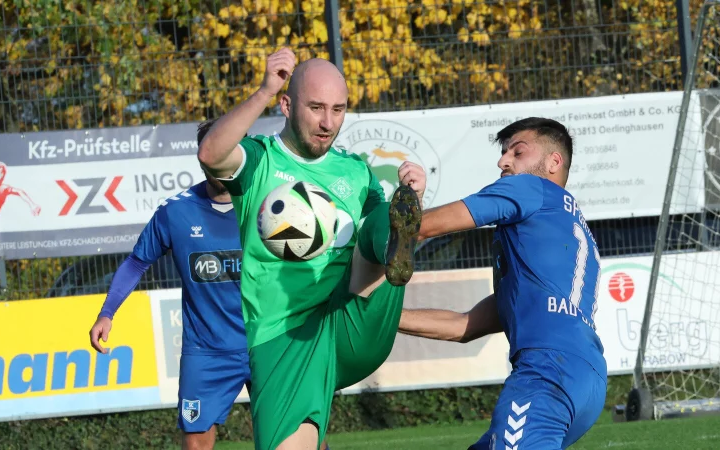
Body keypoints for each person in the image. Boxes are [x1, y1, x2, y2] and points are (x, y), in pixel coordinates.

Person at [197, 47, 426, 450]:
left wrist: (410, 196)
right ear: (286, 104)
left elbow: (375, 221)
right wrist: (264, 88)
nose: (327, 123)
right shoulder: (259, 160)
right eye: (317, 108)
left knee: (382, 222)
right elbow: (211, 154)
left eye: (338, 110)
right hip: (283, 333)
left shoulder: (355, 170)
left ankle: (398, 234)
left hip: (350, 318)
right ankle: (394, 232)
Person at [399, 117, 607, 449]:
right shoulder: (554, 237)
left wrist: (407, 207)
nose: (503, 160)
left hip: (546, 373)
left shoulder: (531, 188)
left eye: (517, 151)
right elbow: (464, 326)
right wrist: (385, 316)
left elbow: (421, 228)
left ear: (554, 162)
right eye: (503, 151)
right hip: (588, 380)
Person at [88, 121, 251, 450]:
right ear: (202, 158)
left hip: (269, 343)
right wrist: (107, 313)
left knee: (300, 434)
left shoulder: (271, 208)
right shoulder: (175, 212)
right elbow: (136, 262)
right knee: (195, 441)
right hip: (207, 351)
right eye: (215, 153)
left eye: (229, 152)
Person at [0, 161, 41, 236]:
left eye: (2, 176)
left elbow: (20, 192)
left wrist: (32, 205)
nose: (0, 178)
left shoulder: (4, 189)